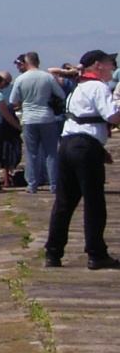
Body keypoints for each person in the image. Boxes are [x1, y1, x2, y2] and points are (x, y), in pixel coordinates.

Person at [44, 50, 120, 270]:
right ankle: (96, 254)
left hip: (68, 145)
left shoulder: (79, 88)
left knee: (64, 202)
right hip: (85, 147)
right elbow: (112, 116)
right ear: (98, 65)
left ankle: (53, 253)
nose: (113, 67)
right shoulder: (98, 87)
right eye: (110, 63)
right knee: (94, 202)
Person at [9, 52, 66, 193]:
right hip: (47, 117)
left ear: (26, 63)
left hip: (29, 118)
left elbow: (13, 100)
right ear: (38, 62)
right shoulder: (47, 77)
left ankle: (32, 184)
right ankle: (54, 184)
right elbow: (61, 94)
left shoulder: (21, 79)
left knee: (31, 153)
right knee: (51, 153)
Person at [0, 70, 23, 188]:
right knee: (4, 154)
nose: (6, 86)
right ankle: (4, 180)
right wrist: (17, 126)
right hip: (0, 128)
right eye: (6, 83)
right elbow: (5, 113)